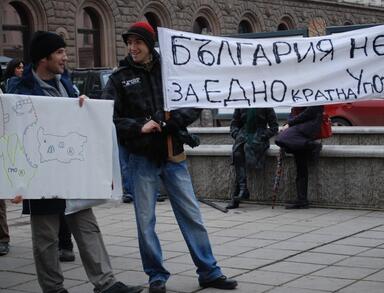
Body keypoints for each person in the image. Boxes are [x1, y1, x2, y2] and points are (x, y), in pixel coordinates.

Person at [102, 22, 237, 293]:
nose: (132, 47)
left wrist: (171, 124)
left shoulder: (173, 69)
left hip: (173, 152)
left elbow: (196, 100)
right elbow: (109, 116)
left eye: (138, 41)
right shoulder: (119, 77)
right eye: (129, 42)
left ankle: (209, 271)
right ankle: (156, 277)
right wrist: (139, 127)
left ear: (150, 44)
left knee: (191, 215)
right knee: (145, 221)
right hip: (141, 158)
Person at [11, 31, 143, 293]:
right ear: (43, 58)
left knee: (87, 228)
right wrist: (15, 180)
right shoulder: (20, 90)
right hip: (42, 177)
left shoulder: (66, 84)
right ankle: (53, 289)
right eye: (59, 52)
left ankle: (106, 283)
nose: (65, 57)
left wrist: (83, 105)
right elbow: (12, 135)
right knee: (46, 238)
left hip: (72, 174)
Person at [227, 108, 278, 209]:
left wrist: (263, 136)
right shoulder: (241, 104)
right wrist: (237, 134)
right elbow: (234, 125)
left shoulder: (265, 104)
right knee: (237, 153)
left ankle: (238, 195)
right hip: (242, 137)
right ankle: (242, 189)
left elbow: (274, 127)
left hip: (258, 138)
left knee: (241, 152)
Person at [276, 106, 323, 209]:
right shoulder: (299, 99)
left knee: (281, 138)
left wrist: (290, 123)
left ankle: (312, 145)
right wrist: (288, 123)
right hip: (298, 131)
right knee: (301, 167)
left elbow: (308, 113)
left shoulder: (316, 99)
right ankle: (302, 199)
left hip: (307, 127)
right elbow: (293, 113)